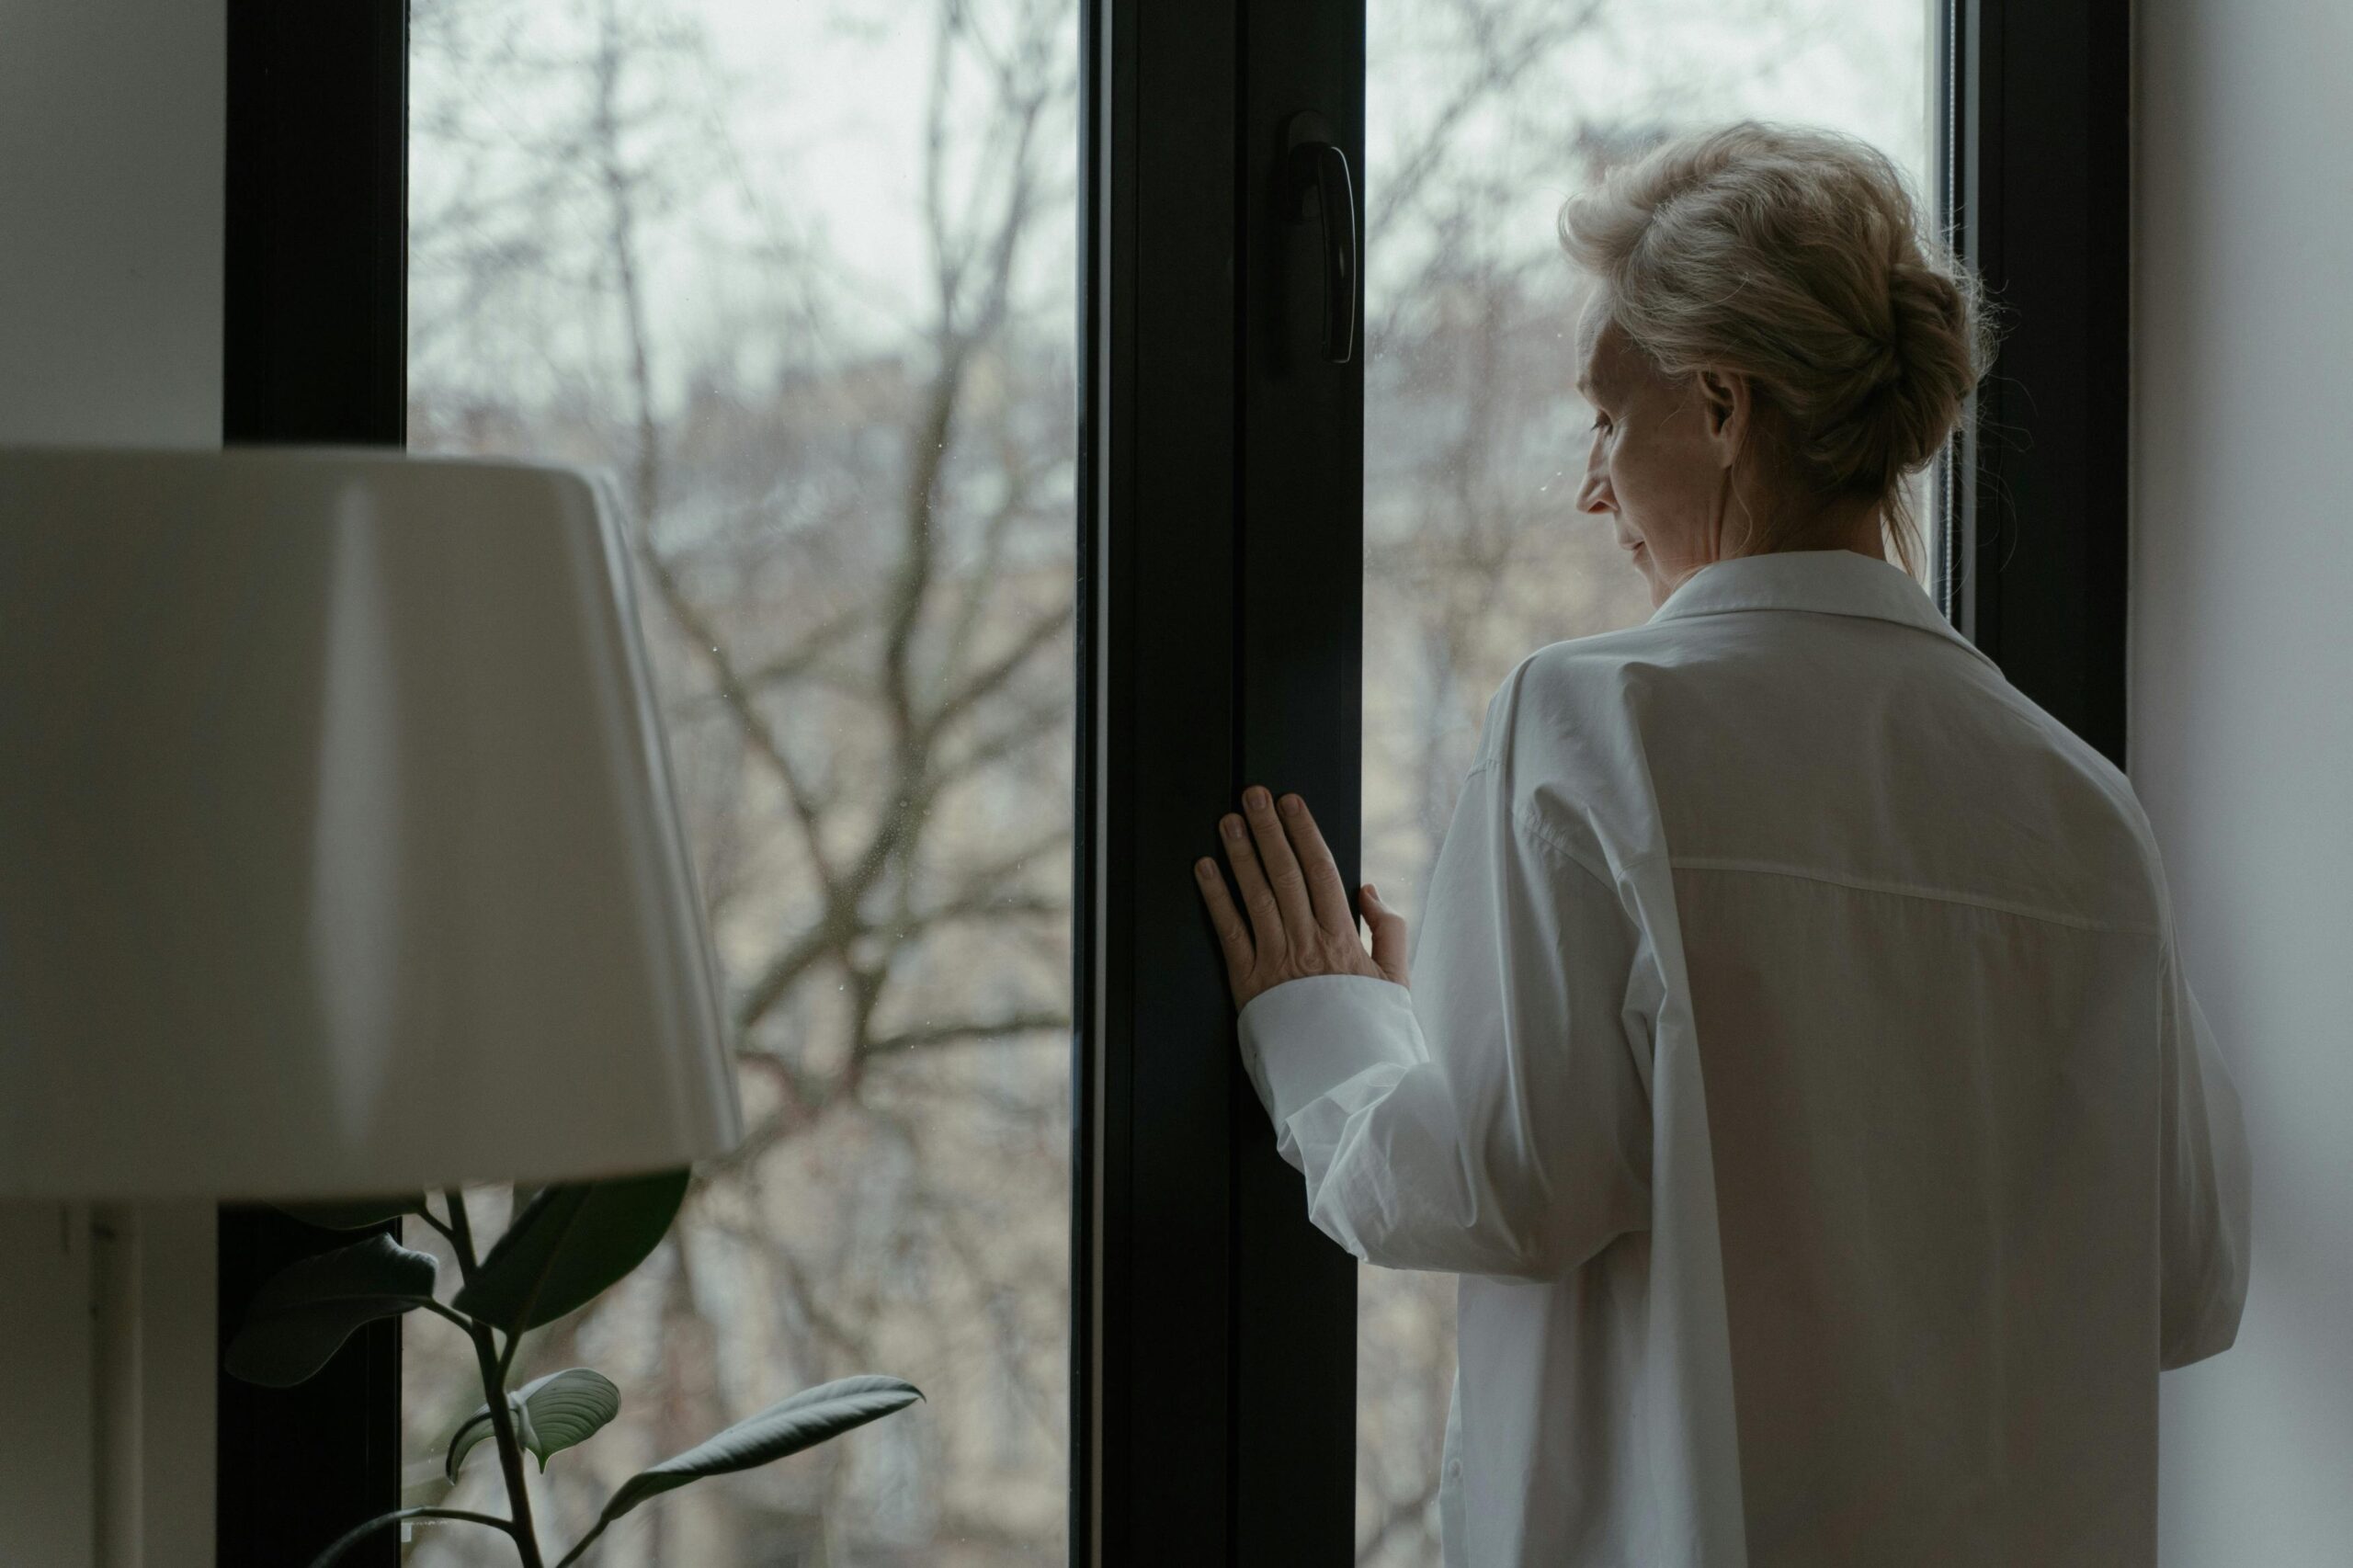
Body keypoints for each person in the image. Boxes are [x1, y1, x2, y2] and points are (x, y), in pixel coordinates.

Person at [1191, 120, 2253, 1567]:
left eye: (1606, 420)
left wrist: (1326, 1024)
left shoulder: (1595, 726)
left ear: (1722, 405)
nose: (1590, 485)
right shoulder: (2077, 803)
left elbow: (1510, 1183)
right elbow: (2185, 1279)